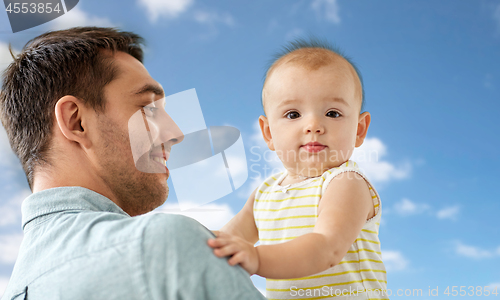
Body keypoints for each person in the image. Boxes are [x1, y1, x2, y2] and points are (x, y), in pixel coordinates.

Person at [0, 27, 266, 300]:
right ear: (76, 121)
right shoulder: (169, 248)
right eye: (149, 109)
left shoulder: (18, 289)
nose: (176, 134)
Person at [208, 39, 389, 299]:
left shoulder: (346, 182)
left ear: (359, 130)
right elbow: (224, 240)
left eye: (333, 113)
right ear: (269, 133)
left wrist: (257, 258)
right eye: (293, 114)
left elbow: (327, 248)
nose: (314, 125)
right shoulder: (265, 193)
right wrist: (186, 243)